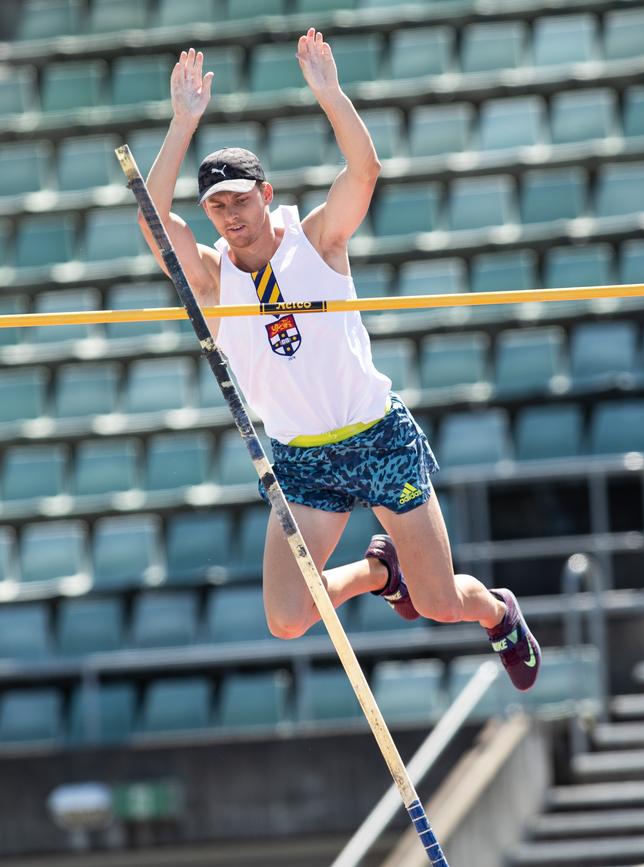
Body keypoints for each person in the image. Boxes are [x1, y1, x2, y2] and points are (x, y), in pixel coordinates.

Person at [137, 29, 541, 691]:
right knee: (288, 617)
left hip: (376, 436)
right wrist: (182, 123)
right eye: (215, 205)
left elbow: (364, 171)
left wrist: (330, 94)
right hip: (301, 455)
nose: (230, 214)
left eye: (240, 198)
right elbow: (154, 220)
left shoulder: (318, 240)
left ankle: (498, 611)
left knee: (442, 603)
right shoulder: (212, 281)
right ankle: (379, 574)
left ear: (266, 195)